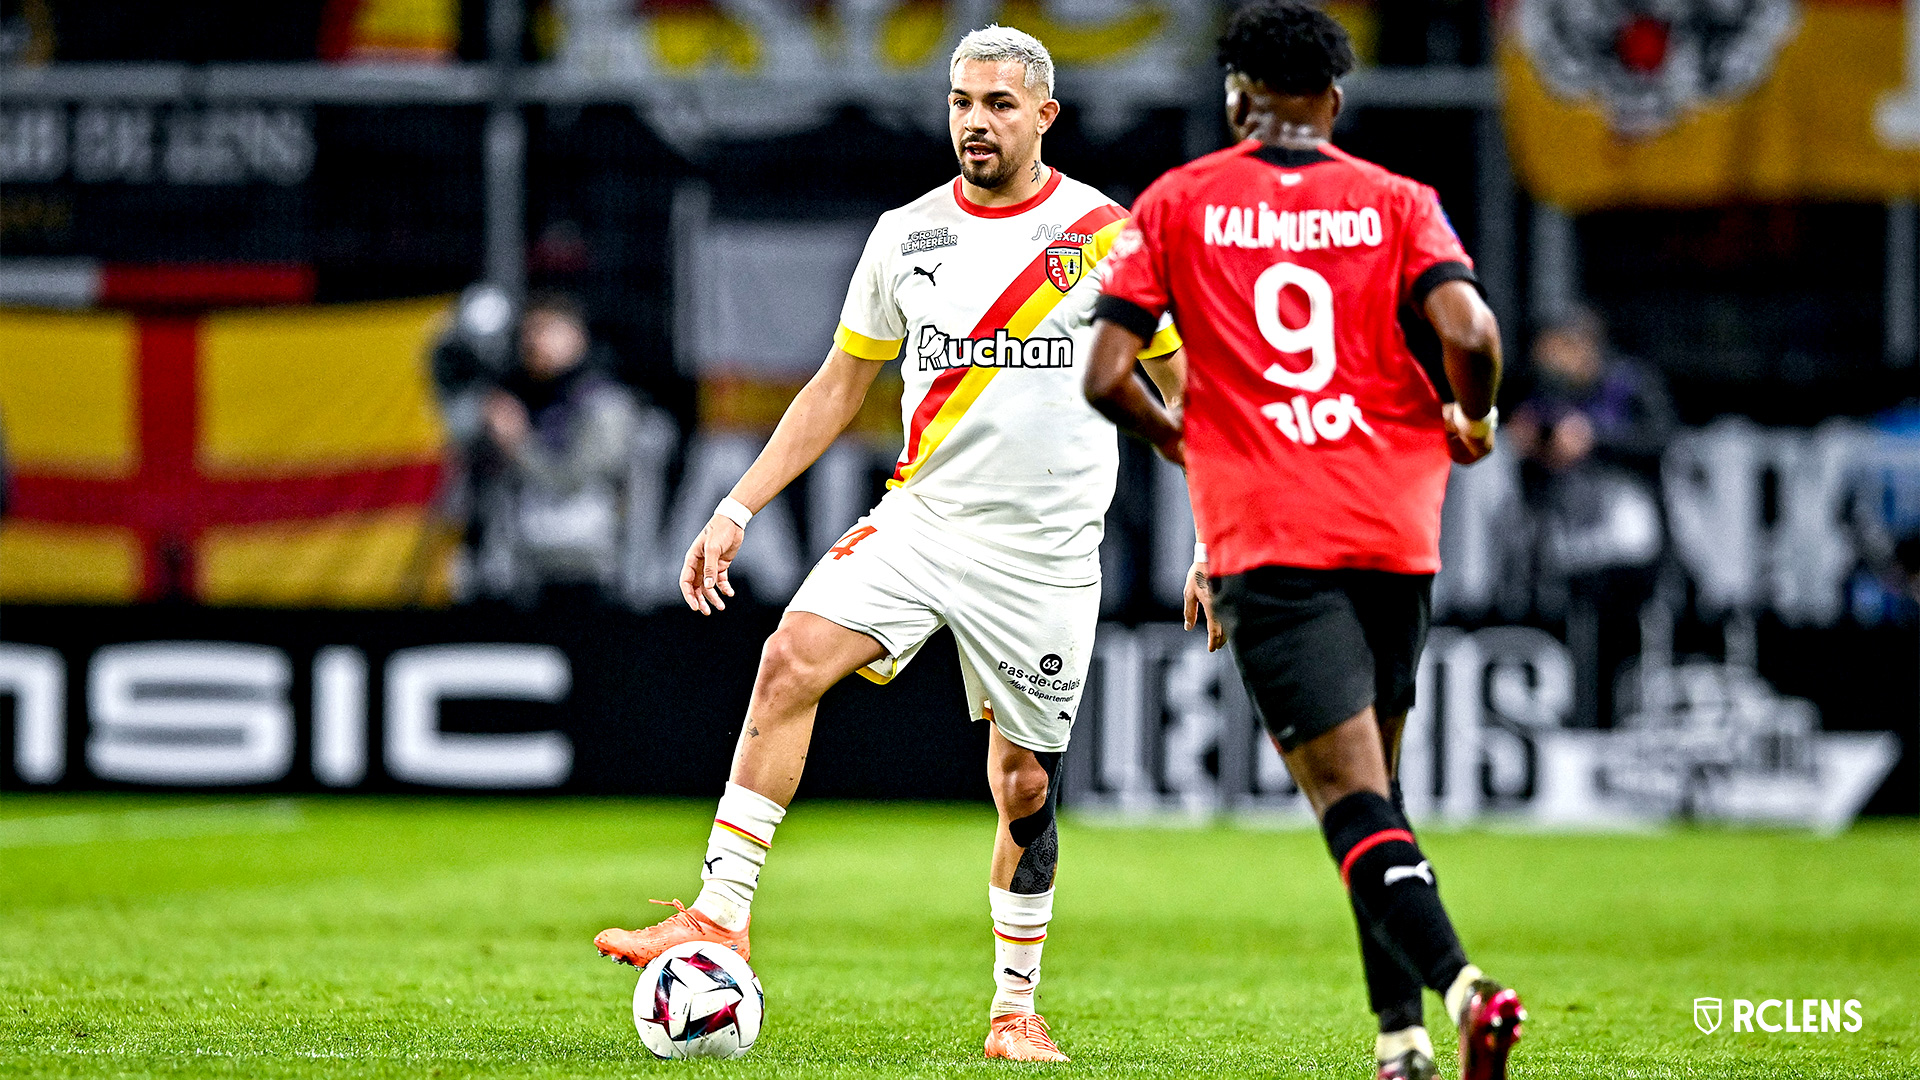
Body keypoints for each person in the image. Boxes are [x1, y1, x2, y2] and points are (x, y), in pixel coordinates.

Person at [592, 26, 1182, 1062]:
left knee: (1025, 787)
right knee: (787, 660)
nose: (976, 122)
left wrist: (1221, 534)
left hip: (1043, 556)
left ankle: (1013, 1009)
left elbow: (1183, 394)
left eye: (1000, 104)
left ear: (1046, 115)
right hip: (923, 521)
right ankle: (719, 913)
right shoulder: (906, 236)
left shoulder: (1106, 236)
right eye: (962, 101)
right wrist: (736, 506)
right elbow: (836, 388)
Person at [1081, 4, 1524, 1079]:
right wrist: (1471, 419)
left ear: (1237, 97)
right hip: (1394, 525)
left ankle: (1467, 989)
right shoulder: (1399, 201)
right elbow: (1470, 333)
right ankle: (1402, 1040)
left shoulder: (1179, 203)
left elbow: (1103, 375)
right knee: (1379, 792)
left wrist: (1187, 437)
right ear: (1333, 101)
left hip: (1272, 532)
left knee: (1342, 800)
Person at [469, 290, 646, 604]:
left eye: (546, 329)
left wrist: (517, 442)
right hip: (525, 572)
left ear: (577, 336)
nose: (534, 341)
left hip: (591, 571)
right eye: (528, 332)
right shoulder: (518, 398)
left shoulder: (604, 403)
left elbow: (574, 481)